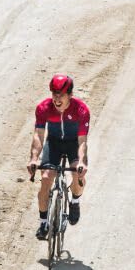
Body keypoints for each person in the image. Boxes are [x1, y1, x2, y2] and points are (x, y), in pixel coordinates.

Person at [27, 74, 90, 240]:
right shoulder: (43, 108)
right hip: (54, 143)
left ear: (70, 94)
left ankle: (75, 201)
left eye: (60, 95)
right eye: (54, 94)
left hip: (74, 144)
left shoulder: (81, 110)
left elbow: (82, 141)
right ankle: (43, 222)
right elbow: (39, 135)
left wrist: (82, 162)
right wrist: (34, 158)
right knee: (46, 177)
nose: (56, 99)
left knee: (77, 173)